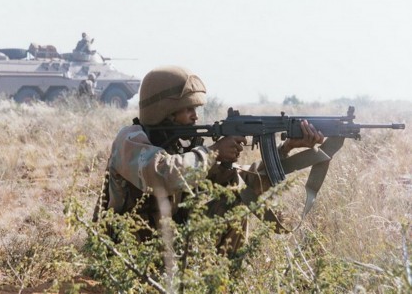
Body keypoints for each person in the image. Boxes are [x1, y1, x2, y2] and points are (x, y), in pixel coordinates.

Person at [96, 65, 324, 255]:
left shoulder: (183, 149)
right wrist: (213, 152)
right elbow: (162, 175)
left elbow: (246, 182)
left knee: (237, 200)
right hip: (127, 253)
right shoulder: (130, 140)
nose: (195, 116)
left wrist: (286, 149)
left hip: (168, 249)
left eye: (196, 109)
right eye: (188, 109)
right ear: (163, 111)